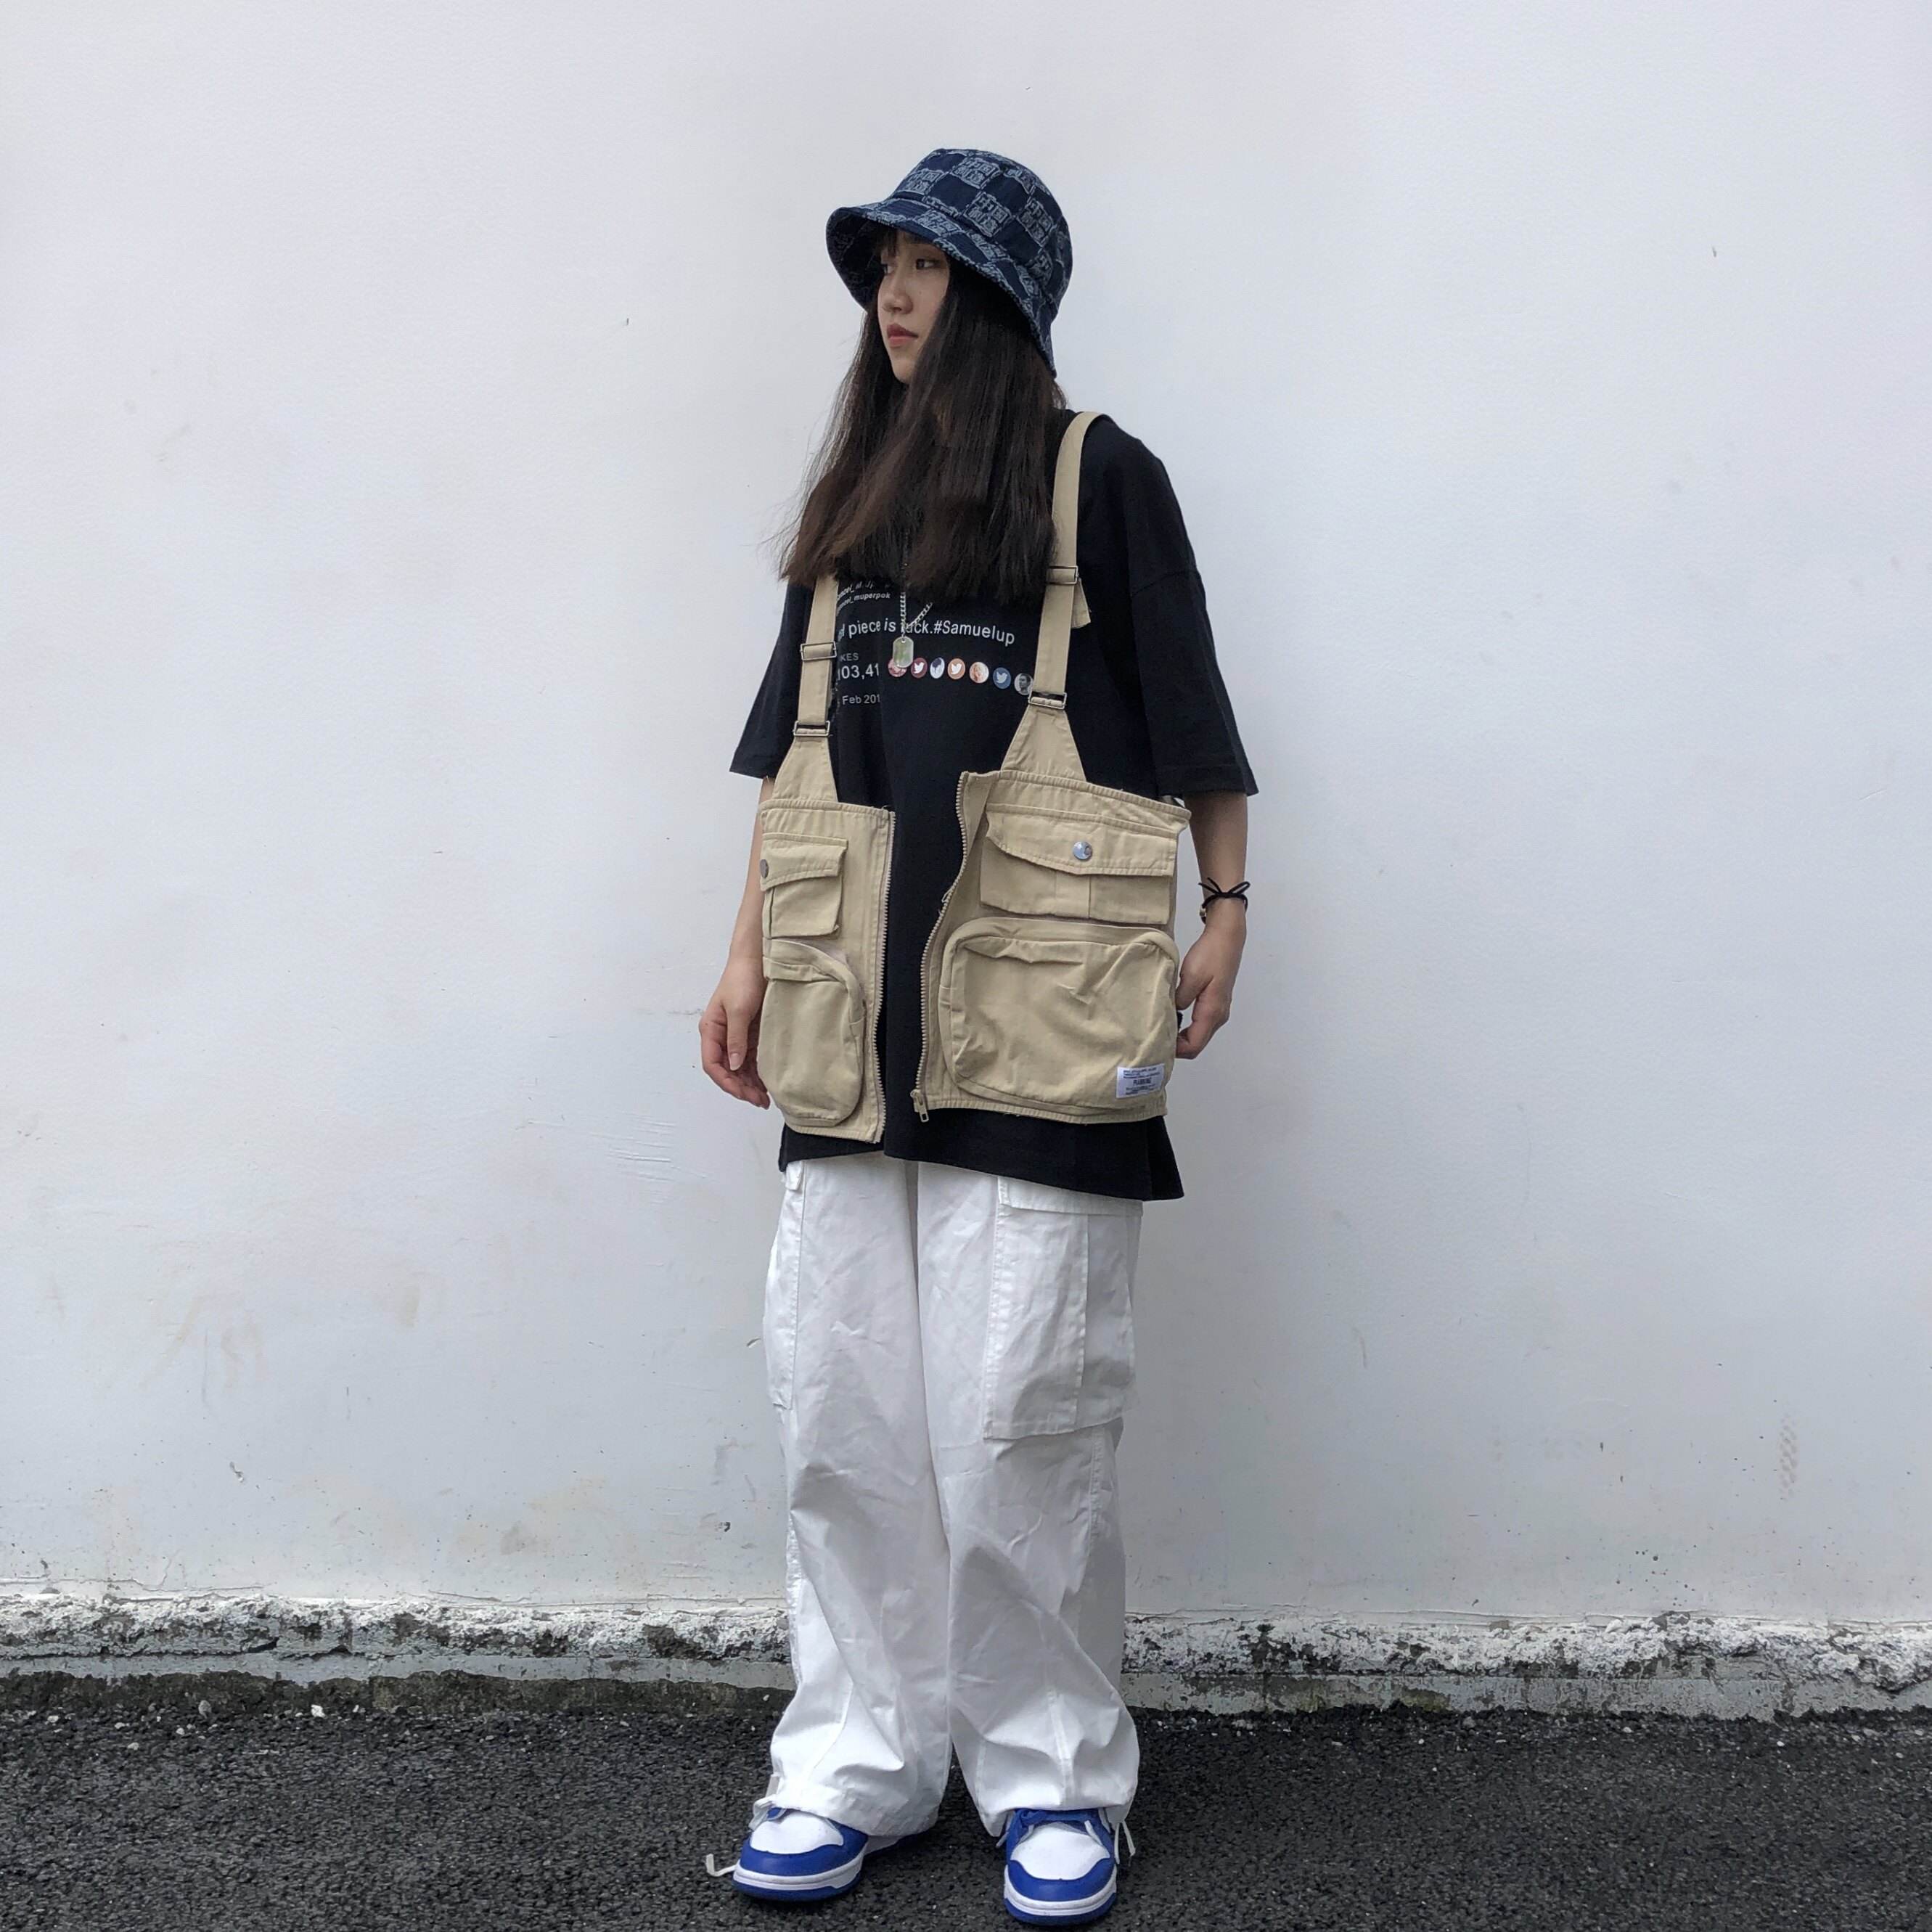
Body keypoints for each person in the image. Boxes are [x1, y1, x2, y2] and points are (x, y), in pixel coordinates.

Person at [699, 149, 1256, 1925]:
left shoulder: (1102, 477)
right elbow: (792, 756)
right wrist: (740, 956)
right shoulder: (850, 499)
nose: (896, 290)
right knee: (842, 1408)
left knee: (1024, 1417)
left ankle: (1050, 1774)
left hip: (1043, 1015)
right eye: (886, 260)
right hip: (849, 1020)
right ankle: (853, 1757)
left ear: (1003, 296)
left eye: (932, 264)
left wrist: (1227, 906)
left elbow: (1194, 722)